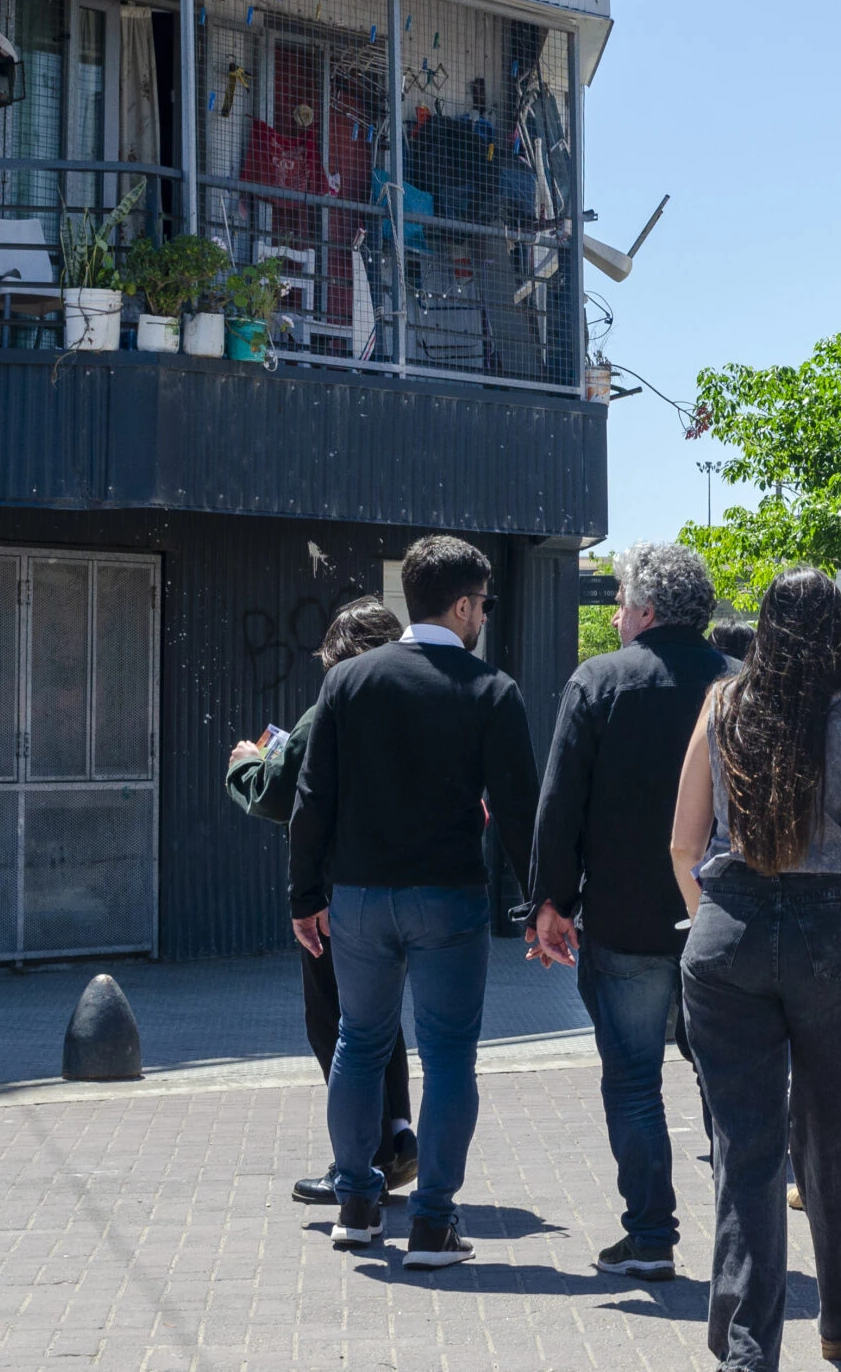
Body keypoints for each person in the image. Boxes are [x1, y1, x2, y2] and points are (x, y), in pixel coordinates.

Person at [667, 567, 841, 1367]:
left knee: (743, 1150)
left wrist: (712, 911)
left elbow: (683, 843)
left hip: (729, 930)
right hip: (833, 937)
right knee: (834, 1130)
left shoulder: (722, 705)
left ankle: (748, 1346)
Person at [289, 534, 540, 1271]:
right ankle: (432, 1224)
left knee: (357, 1043)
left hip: (359, 899)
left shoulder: (348, 683)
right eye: (483, 604)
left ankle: (357, 1207)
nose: (484, 616)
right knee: (451, 1054)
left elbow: (313, 799)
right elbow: (522, 811)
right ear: (462, 605)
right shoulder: (491, 690)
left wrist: (306, 895)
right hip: (447, 899)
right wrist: (547, 904)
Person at [526, 541, 734, 1282]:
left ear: (645, 609)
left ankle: (650, 1234)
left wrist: (550, 899)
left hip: (626, 919)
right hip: (725, 918)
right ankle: (745, 1240)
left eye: (619, 602)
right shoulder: (742, 685)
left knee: (634, 1078)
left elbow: (561, 805)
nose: (614, 615)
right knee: (728, 1081)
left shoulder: (599, 682)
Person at [228, 596, 414, 1207]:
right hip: (413, 892)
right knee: (384, 1022)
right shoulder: (422, 700)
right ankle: (398, 1136)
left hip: (339, 897)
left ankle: (358, 1164)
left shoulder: (330, 707)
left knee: (338, 1026)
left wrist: (247, 767)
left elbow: (282, 798)